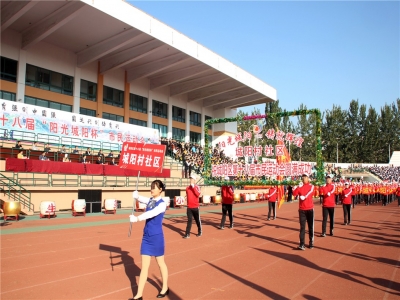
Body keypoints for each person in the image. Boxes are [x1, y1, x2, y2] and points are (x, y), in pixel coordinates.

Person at [130, 180, 169, 300]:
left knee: (160, 263)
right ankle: (139, 295)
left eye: (154, 187)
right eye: (151, 187)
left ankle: (165, 287)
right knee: (144, 267)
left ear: (160, 189)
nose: (152, 189)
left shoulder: (162, 204)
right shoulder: (151, 200)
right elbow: (144, 199)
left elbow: (151, 213)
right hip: (146, 237)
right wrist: (137, 196)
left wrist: (137, 219)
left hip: (156, 238)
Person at [292, 174, 315, 250]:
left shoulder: (311, 186)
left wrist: (305, 196)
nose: (304, 178)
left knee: (310, 226)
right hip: (302, 209)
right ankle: (302, 244)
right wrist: (297, 187)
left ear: (308, 178)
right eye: (303, 177)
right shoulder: (300, 186)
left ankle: (311, 242)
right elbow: (294, 194)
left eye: (305, 177)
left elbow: (311, 192)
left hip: (310, 209)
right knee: (302, 227)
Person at [183, 174, 202, 238]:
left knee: (197, 220)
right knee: (189, 220)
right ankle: (187, 234)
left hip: (196, 207)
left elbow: (198, 194)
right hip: (189, 207)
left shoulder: (197, 187)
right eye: (190, 179)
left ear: (194, 180)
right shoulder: (187, 188)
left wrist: (193, 187)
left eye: (192, 179)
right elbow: (187, 195)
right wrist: (185, 198)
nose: (190, 180)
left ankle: (199, 231)